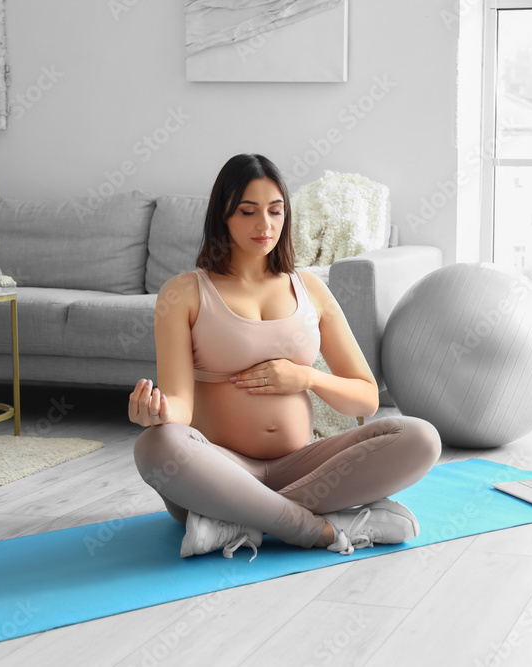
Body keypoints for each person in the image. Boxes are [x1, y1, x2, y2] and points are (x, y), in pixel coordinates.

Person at [130, 154, 441, 560]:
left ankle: (237, 520)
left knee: (420, 437)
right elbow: (181, 409)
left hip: (305, 466)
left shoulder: (310, 287)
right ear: (222, 216)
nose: (265, 225)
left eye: (276, 211)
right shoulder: (184, 292)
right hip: (222, 471)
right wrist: (157, 412)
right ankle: (320, 528)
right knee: (156, 446)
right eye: (248, 211)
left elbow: (365, 397)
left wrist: (306, 378)